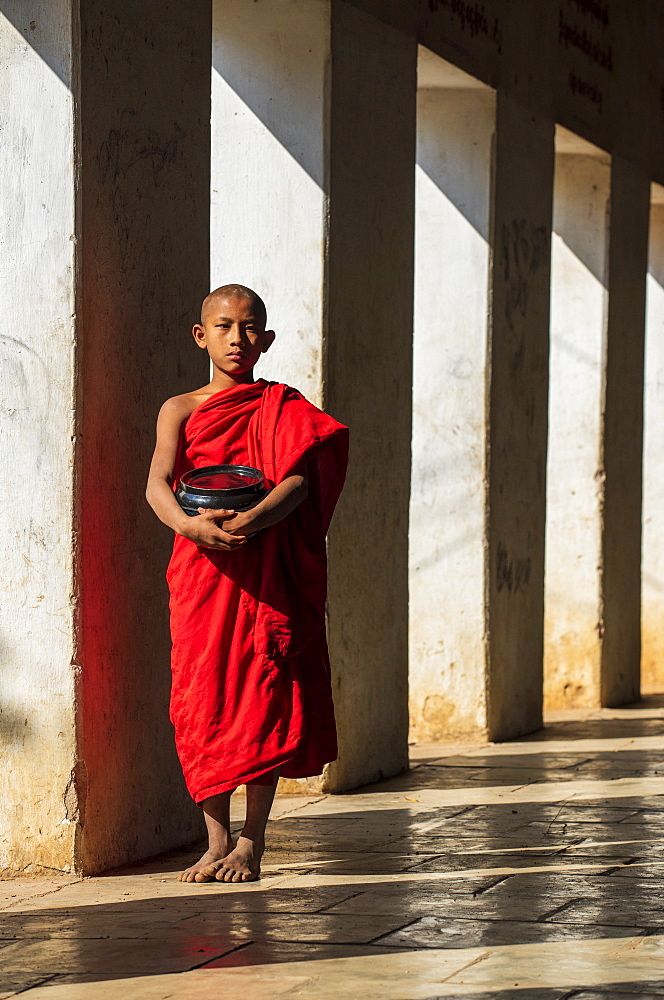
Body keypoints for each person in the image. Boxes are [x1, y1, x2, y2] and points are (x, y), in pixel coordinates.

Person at [146, 284, 348, 884]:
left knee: (261, 692)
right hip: (202, 571)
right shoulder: (179, 409)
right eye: (226, 326)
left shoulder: (282, 405)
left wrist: (250, 522)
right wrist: (189, 526)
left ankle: (251, 843)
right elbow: (158, 483)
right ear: (200, 334)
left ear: (268, 337)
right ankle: (213, 841)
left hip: (262, 567)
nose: (239, 339)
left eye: (251, 327)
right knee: (202, 696)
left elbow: (299, 485)